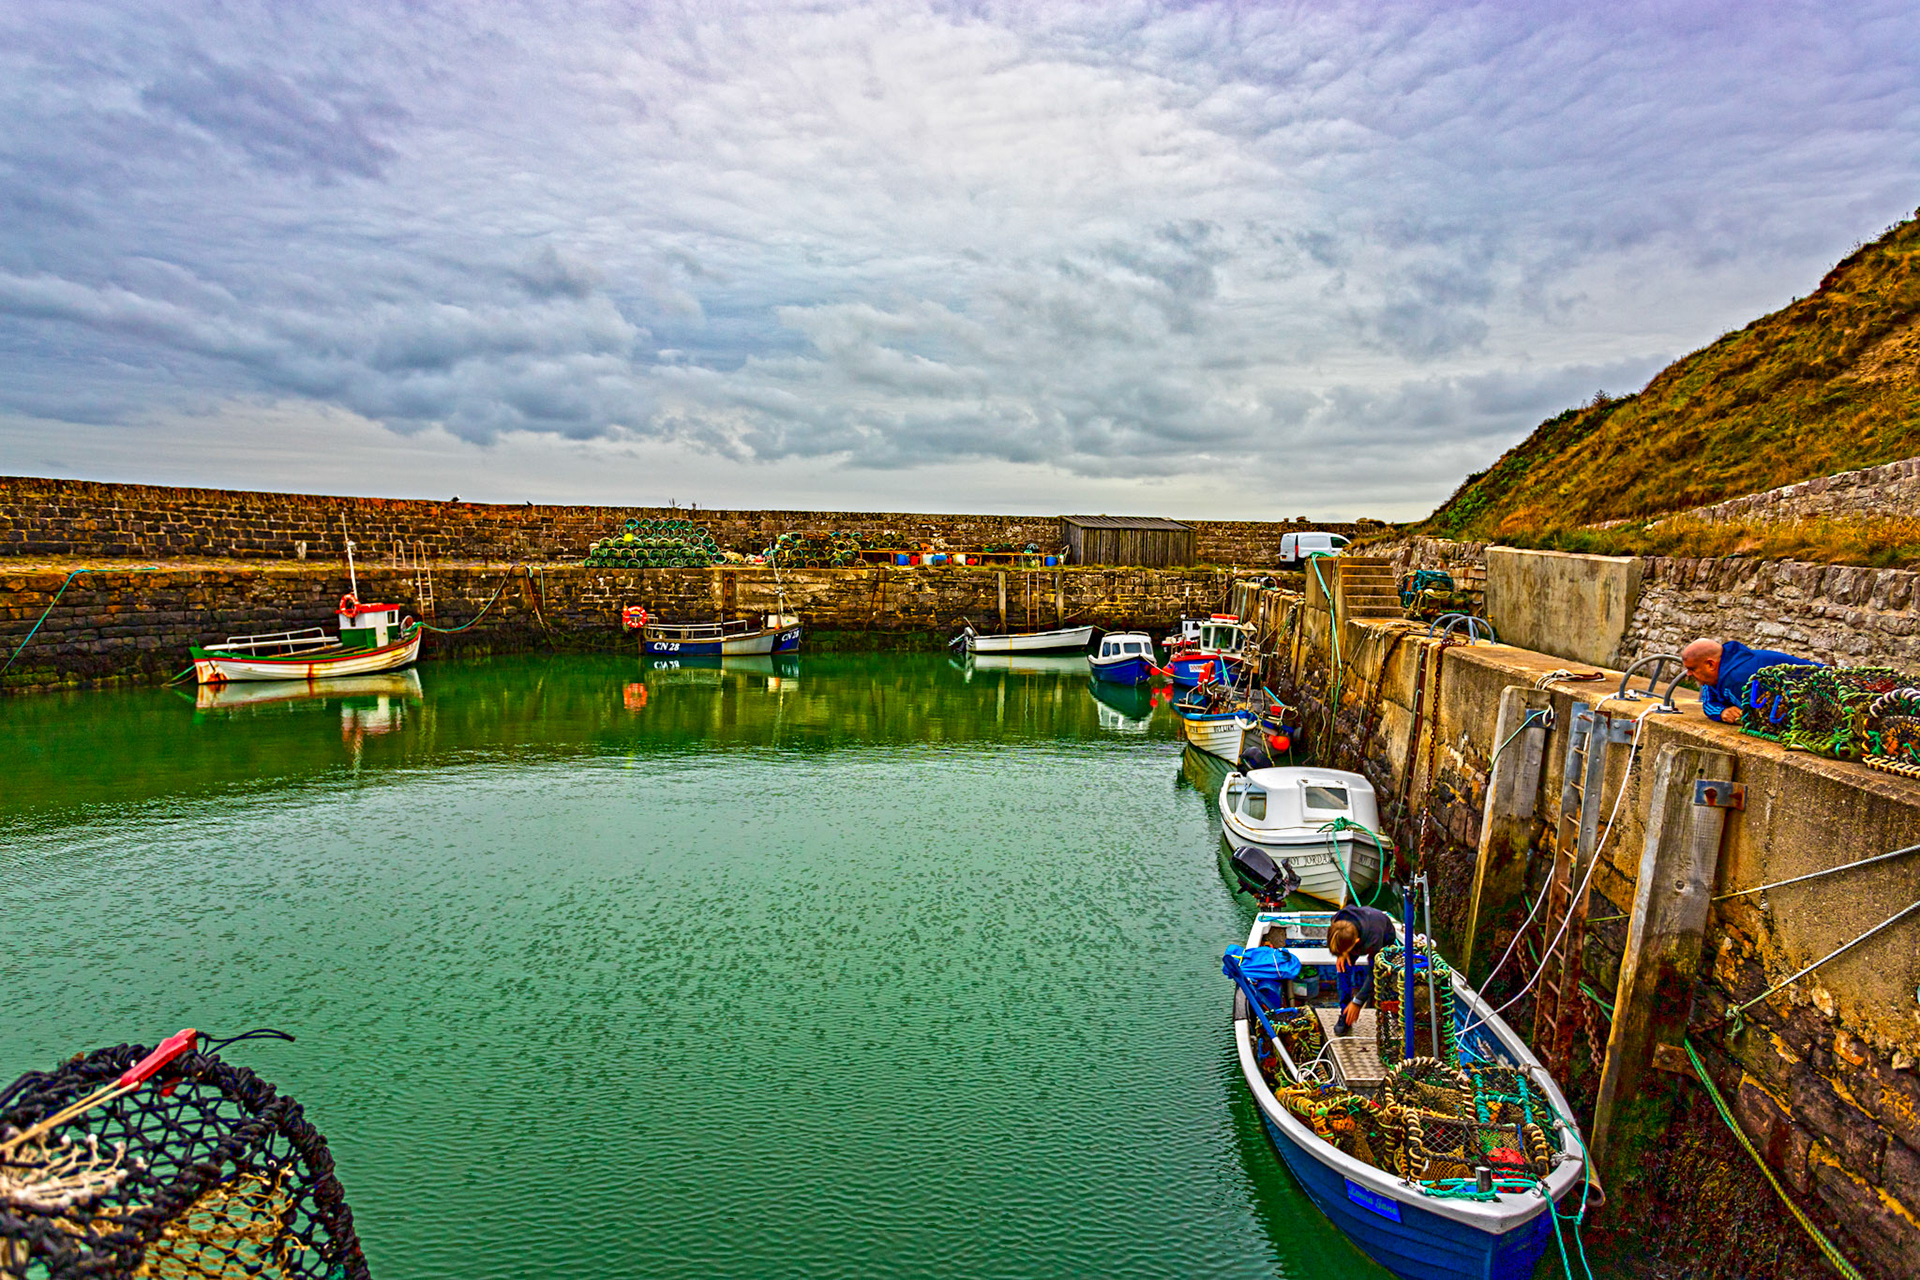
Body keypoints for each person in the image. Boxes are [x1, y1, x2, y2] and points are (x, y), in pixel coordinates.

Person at [1679, 638, 1822, 724]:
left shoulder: (1738, 678)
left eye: (1692, 669)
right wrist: (1722, 712)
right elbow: (1708, 703)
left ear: (1710, 664)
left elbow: (1764, 719)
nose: (1688, 674)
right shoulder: (1715, 676)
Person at [1327, 902, 1397, 1034]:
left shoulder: (1374, 939)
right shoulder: (1339, 918)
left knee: (1380, 976)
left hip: (1383, 934)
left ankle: (1371, 1003)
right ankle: (1345, 1014)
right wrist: (1341, 954)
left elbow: (1374, 972)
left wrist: (1358, 1002)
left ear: (1356, 942)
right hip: (1359, 927)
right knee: (1343, 968)